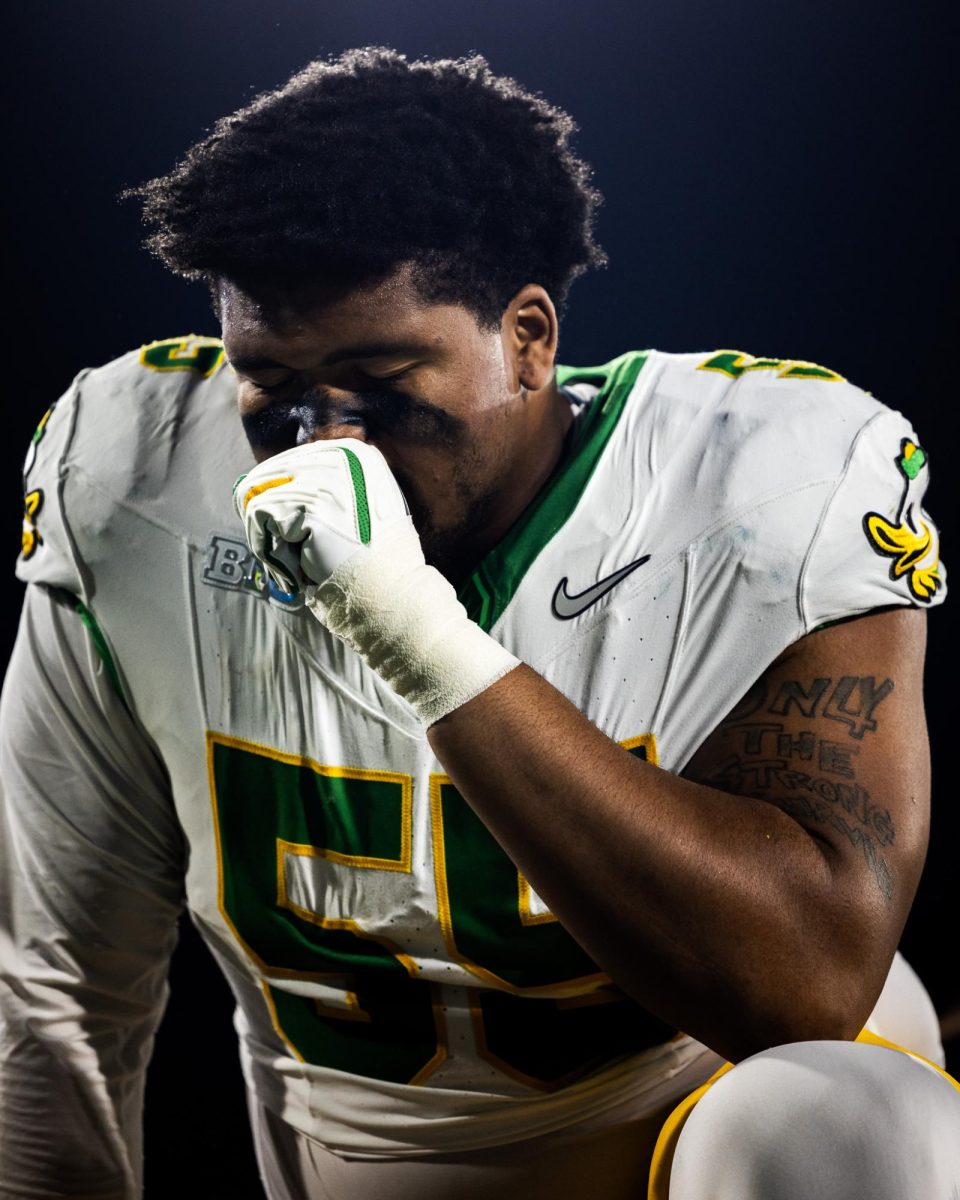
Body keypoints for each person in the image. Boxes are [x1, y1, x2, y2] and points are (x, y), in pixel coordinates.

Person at [1, 46, 957, 1200]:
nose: (325, 448)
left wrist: (405, 622)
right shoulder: (136, 475)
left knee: (837, 1120)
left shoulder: (759, 479)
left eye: (382, 379)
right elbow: (56, 992)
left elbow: (808, 984)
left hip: (701, 1114)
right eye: (275, 392)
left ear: (529, 337)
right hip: (379, 1159)